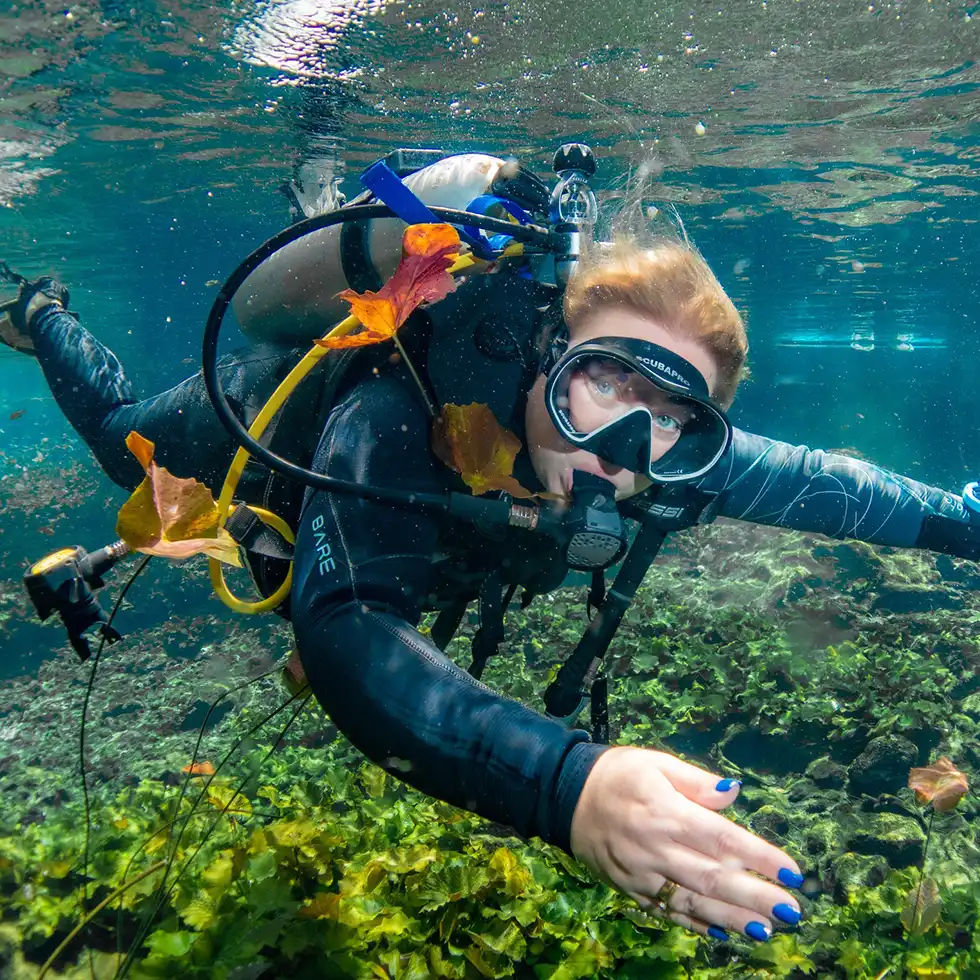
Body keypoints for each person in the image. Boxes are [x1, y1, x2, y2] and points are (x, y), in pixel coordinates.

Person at [6, 163, 980, 950]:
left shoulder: (663, 459)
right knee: (122, 442)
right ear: (547, 352)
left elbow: (837, 488)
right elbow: (345, 628)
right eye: (603, 381)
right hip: (267, 443)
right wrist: (567, 783)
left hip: (374, 537)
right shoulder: (404, 408)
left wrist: (968, 526)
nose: (628, 448)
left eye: (675, 419)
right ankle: (41, 311)